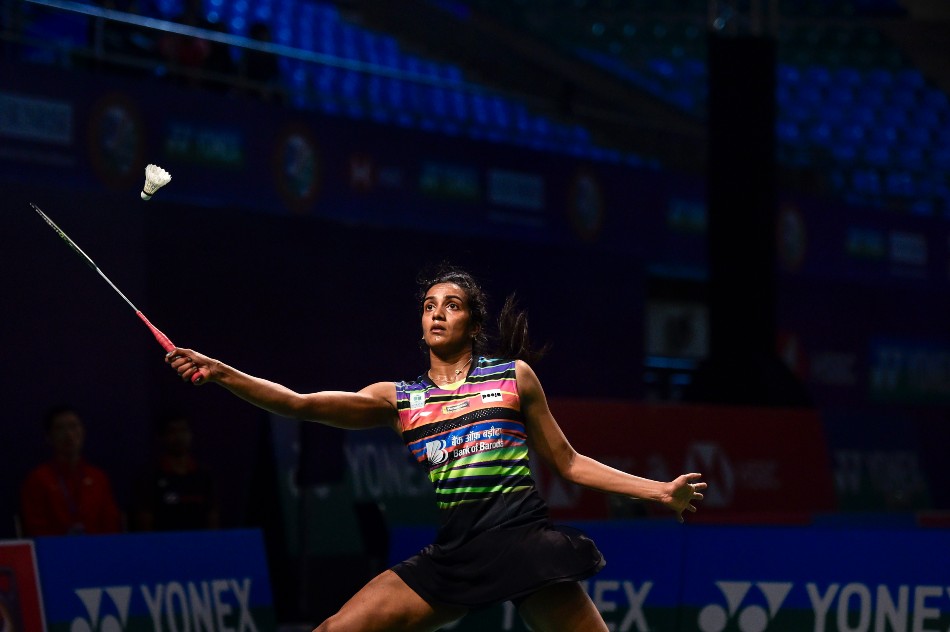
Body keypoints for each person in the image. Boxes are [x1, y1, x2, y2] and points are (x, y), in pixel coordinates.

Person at [165, 264, 707, 631]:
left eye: (451, 305)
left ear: (473, 323)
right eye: (429, 306)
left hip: (523, 543)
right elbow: (298, 403)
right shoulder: (399, 399)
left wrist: (660, 492)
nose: (437, 313)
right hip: (457, 553)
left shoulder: (513, 377)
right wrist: (222, 372)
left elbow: (568, 461)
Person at [20, 405, 122, 537]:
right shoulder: (38, 479)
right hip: (54, 548)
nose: (68, 434)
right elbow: (35, 527)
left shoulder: (98, 478)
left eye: (73, 426)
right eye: (60, 428)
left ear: (83, 432)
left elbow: (111, 523)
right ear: (49, 437)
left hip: (97, 547)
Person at [131, 412, 219, 532]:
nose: (179, 437)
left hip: (199, 542)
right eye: (172, 431)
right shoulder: (149, 476)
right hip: (163, 542)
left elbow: (212, 516)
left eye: (183, 430)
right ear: (161, 437)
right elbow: (144, 520)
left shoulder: (204, 475)